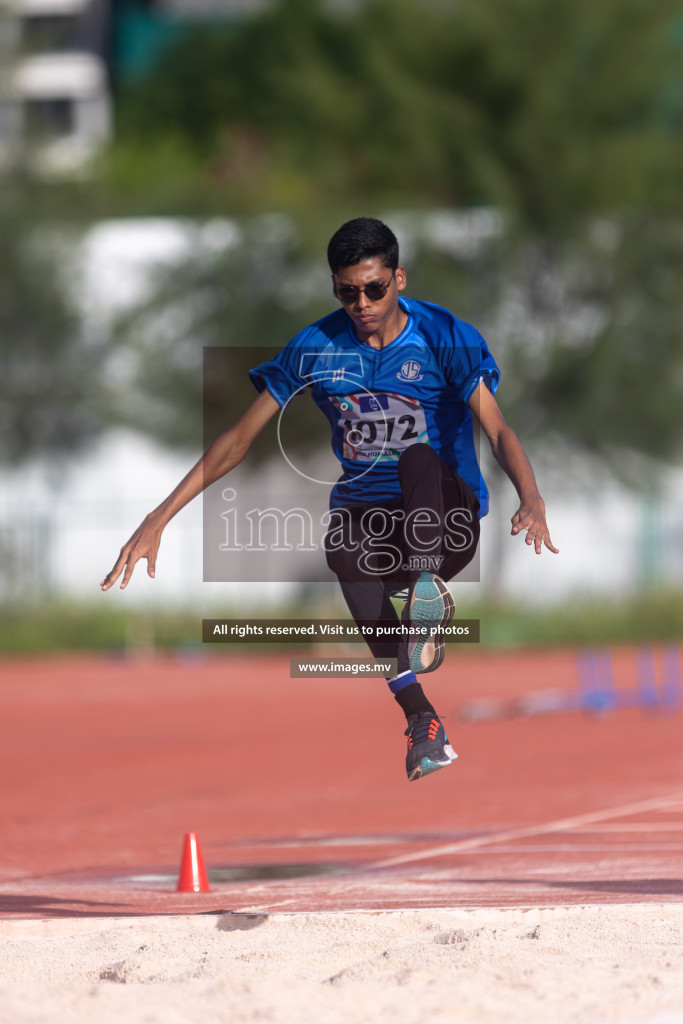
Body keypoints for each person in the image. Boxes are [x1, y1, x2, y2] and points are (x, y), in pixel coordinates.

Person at [101, 217, 558, 782]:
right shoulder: (315, 347)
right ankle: (424, 723)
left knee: (416, 457)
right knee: (342, 546)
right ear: (334, 288)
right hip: (374, 522)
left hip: (445, 519)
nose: (362, 303)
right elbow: (239, 439)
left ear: (399, 279)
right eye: (348, 292)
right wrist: (158, 517)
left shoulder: (444, 335)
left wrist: (530, 496)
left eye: (374, 288)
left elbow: (498, 428)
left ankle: (423, 593)